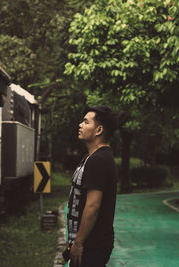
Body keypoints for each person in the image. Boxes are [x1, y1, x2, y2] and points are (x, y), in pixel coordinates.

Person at [66, 106, 118, 267]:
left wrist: (79, 243)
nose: (80, 125)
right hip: (88, 242)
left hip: (93, 244)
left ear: (99, 130)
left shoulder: (99, 161)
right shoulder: (91, 158)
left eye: (86, 122)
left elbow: (93, 206)